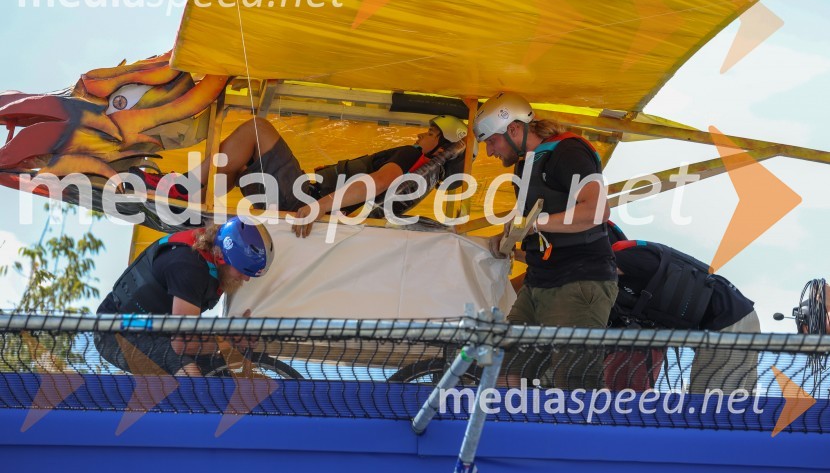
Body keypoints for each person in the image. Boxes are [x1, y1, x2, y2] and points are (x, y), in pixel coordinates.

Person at [473, 91, 617, 390]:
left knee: (574, 385)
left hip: (578, 281)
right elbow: (536, 225)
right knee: (501, 369)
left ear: (513, 129)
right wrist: (508, 237)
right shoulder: (525, 166)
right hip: (539, 283)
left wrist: (534, 224)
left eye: (491, 141)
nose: (489, 152)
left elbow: (597, 210)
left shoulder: (568, 151)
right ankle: (509, 435)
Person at [132, 115, 472, 237]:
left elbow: (378, 183)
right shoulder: (426, 177)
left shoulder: (413, 157)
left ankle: (182, 187)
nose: (419, 136)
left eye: (428, 132)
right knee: (241, 160)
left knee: (256, 129)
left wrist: (319, 206)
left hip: (304, 201)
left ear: (442, 139)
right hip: (307, 200)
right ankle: (189, 197)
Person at [94, 217, 274, 376]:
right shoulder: (189, 268)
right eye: (242, 270)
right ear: (221, 257)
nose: (246, 278)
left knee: (221, 377)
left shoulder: (212, 254)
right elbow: (182, 344)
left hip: (157, 331)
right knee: (189, 373)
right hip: (116, 332)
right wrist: (231, 340)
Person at [610, 238, 760, 393]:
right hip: (731, 317)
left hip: (730, 320)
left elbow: (605, 268)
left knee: (713, 402)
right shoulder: (628, 267)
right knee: (723, 400)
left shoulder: (629, 258)